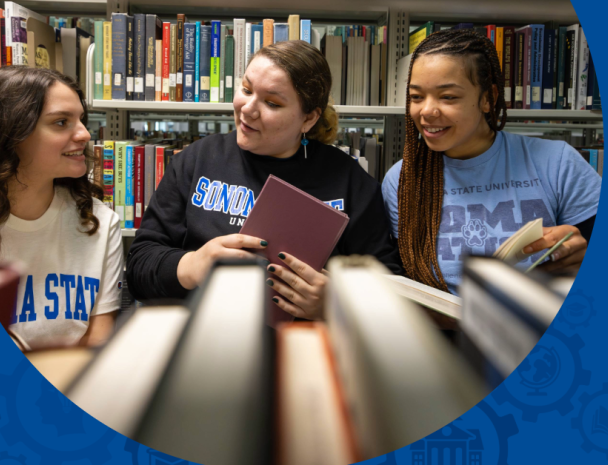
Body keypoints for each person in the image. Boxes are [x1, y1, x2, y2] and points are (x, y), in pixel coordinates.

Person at [127, 40, 402, 318]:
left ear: (308, 119)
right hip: (205, 333)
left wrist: (335, 303)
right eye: (246, 90)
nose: (247, 108)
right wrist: (193, 265)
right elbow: (139, 267)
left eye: (272, 102)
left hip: (302, 344)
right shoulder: (199, 158)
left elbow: (388, 284)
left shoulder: (349, 181)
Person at [382, 28, 601, 294]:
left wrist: (582, 257)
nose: (427, 111)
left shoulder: (557, 163)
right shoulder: (402, 179)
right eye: (416, 97)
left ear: (488, 98)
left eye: (448, 96)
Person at [0, 66, 122, 351]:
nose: (84, 135)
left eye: (81, 119)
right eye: (60, 122)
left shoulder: (100, 223)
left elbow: (97, 343)